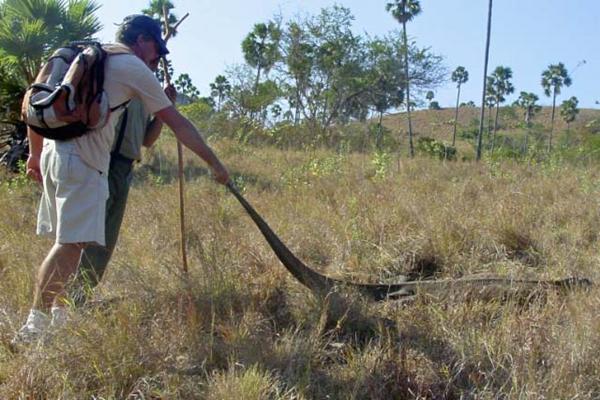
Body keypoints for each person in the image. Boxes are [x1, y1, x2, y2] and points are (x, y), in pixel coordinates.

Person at [13, 14, 229, 345]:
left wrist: (35, 153)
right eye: (156, 50)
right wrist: (214, 163)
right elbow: (179, 124)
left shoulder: (82, 52)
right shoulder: (131, 66)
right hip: (84, 162)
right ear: (143, 40)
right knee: (70, 246)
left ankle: (58, 320)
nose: (156, 58)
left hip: (58, 156)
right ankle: (33, 327)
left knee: (74, 242)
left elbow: (35, 101)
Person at [68, 79, 175, 307]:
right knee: (87, 234)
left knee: (106, 238)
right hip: (102, 163)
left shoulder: (147, 90)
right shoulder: (117, 77)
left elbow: (147, 140)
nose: (153, 64)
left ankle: (79, 298)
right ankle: (64, 298)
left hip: (125, 169)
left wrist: (167, 106)